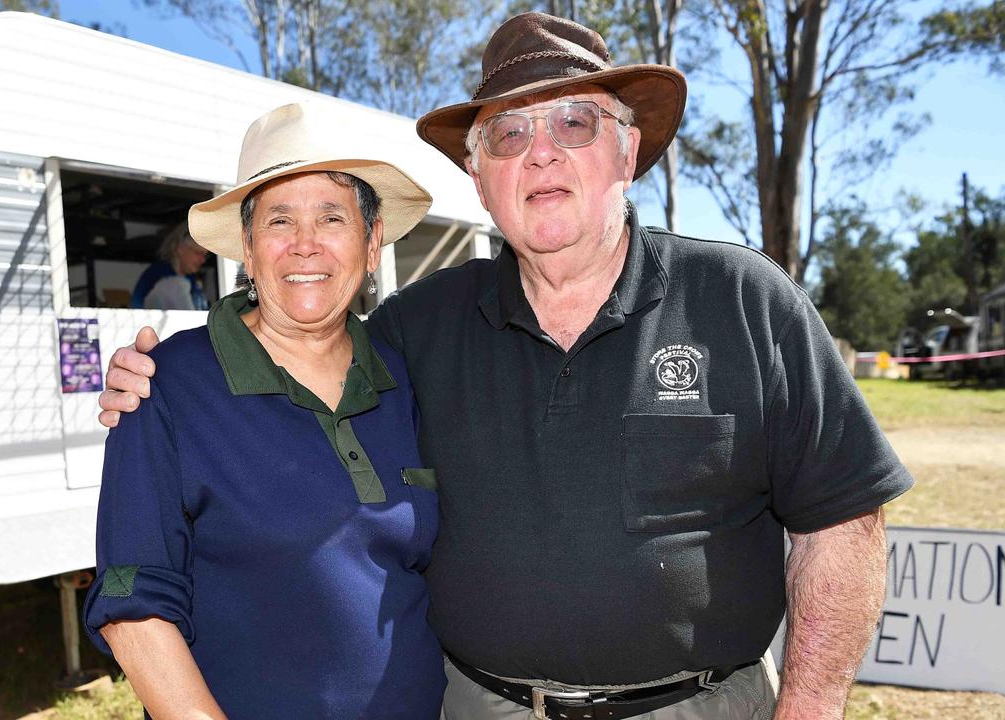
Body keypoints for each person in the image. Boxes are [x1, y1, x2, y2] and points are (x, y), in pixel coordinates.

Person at [99, 14, 913, 720]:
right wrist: (152, 377)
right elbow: (288, 357)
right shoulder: (418, 330)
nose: (542, 154)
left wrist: (808, 707)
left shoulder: (744, 300)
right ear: (481, 178)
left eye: (575, 125)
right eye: (510, 136)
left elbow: (843, 521)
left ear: (627, 151)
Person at [83, 102, 445, 719]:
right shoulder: (164, 386)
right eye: (280, 221)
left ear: (372, 239)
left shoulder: (404, 378)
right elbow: (133, 609)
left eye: (333, 217)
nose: (305, 245)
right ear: (248, 249)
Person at [129, 222, 211, 310]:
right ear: (180, 249)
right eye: (198, 253)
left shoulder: (191, 277)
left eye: (205, 255)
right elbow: (136, 308)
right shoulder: (157, 274)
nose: (203, 260)